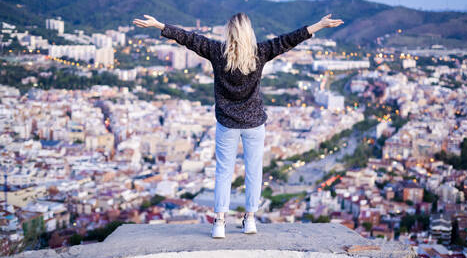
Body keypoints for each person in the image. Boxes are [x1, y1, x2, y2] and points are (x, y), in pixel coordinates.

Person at [132, 12, 344, 238]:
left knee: (223, 172)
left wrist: (160, 25)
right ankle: (250, 219)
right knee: (254, 171)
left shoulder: (216, 52)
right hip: (254, 124)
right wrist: (319, 25)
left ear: (229, 32)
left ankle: (219, 223)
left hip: (227, 124)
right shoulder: (260, 52)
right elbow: (288, 40)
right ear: (248, 32)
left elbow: (189, 38)